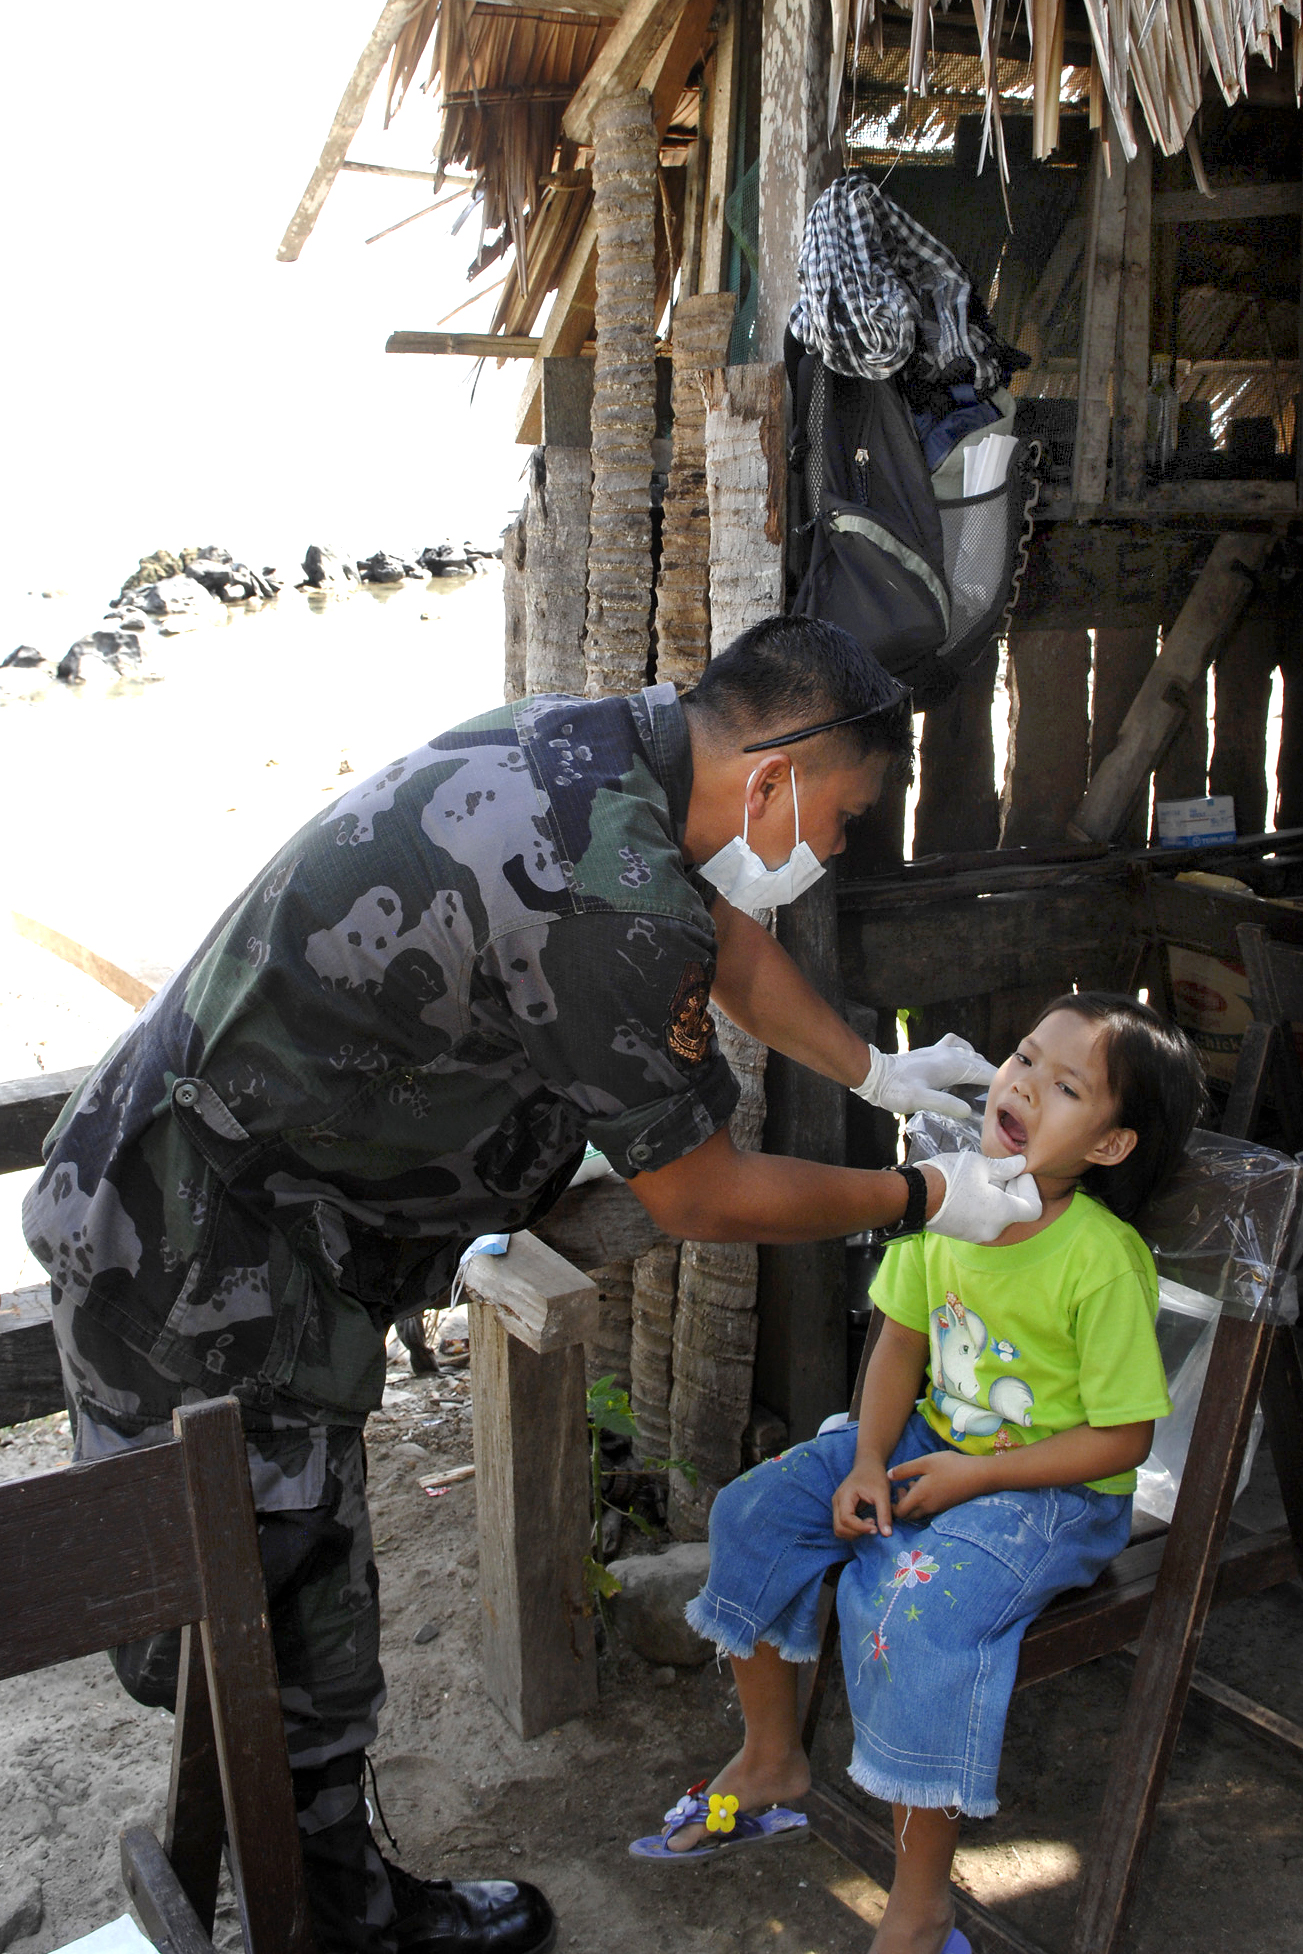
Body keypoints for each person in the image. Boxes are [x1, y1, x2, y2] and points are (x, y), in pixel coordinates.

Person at [23, 615, 1040, 1954]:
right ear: (777, 774)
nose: (831, 849)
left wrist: (873, 1073)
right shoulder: (606, 889)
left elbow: (724, 941)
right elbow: (699, 1190)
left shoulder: (604, 749)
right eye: (841, 818)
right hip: (202, 1252)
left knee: (287, 1593)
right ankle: (334, 1913)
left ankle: (334, 1895)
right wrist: (925, 1194)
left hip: (240, 1212)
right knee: (245, 1611)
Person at [631, 991, 1205, 1954]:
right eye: (1024, 1057)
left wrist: (973, 1480)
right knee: (753, 1513)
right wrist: (862, 1457)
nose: (1022, 1083)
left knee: (906, 1609)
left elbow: (1122, 1444)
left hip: (1055, 1491)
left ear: (1108, 1147)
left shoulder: (1100, 1263)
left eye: (1065, 1086)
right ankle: (771, 1760)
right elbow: (898, 1342)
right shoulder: (954, 1204)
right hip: (919, 1442)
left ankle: (920, 1905)